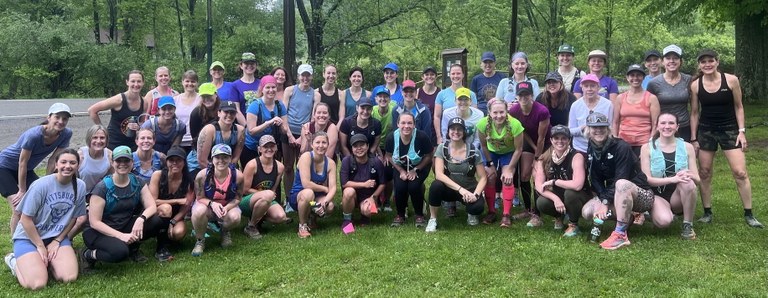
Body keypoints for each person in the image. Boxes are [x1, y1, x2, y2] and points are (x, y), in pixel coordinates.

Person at [690, 49, 763, 228]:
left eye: (710, 61)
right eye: (703, 62)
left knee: (740, 172)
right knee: (705, 172)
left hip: (730, 130)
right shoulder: (695, 85)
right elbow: (694, 113)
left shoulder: (731, 80)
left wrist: (742, 131)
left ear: (717, 62)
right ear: (699, 65)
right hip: (706, 131)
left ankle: (749, 213)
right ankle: (707, 212)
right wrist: (694, 138)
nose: (707, 64)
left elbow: (739, 107)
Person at [581, 113, 670, 250]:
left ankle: (620, 234)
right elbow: (595, 178)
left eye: (602, 127)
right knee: (587, 212)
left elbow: (621, 178)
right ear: (588, 129)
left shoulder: (621, 147)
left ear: (608, 129)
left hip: (640, 193)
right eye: (594, 127)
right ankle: (628, 218)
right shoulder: (591, 146)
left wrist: (605, 202)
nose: (598, 130)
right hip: (615, 194)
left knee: (621, 184)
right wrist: (603, 200)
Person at [4, 149, 85, 290]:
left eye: (73, 162)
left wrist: (57, 240)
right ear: (56, 165)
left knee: (69, 277)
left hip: (55, 236)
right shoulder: (40, 185)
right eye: (63, 162)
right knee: (37, 284)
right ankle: (14, 262)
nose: (68, 166)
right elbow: (25, 219)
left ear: (78, 165)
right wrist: (40, 246)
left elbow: (73, 217)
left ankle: (46, 264)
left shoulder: (80, 185)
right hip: (28, 237)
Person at [80, 146, 164, 269]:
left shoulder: (137, 182)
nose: (122, 164)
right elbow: (94, 222)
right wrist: (121, 236)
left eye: (126, 161)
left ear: (132, 162)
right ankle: (88, 254)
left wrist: (141, 219)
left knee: (155, 221)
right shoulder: (102, 187)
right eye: (119, 161)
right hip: (98, 232)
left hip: (123, 224)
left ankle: (133, 247)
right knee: (120, 252)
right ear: (112, 163)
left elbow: (151, 206)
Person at [1, 103, 72, 235]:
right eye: (57, 117)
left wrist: (47, 181)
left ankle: (38, 234)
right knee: (18, 207)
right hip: (4, 167)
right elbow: (22, 162)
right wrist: (22, 190)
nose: (61, 121)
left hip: (26, 169)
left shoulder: (66, 134)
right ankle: (16, 247)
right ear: (49, 117)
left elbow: (53, 160)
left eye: (65, 119)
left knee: (42, 199)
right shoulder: (34, 135)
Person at [640, 113, 700, 239]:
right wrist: (673, 179)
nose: (667, 126)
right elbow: (647, 180)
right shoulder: (646, 148)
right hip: (656, 194)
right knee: (664, 221)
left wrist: (688, 174)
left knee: (689, 183)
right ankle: (653, 212)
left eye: (671, 123)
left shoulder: (687, 147)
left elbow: (697, 179)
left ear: (677, 127)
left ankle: (687, 225)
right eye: (663, 123)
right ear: (657, 126)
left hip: (677, 195)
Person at [426, 117, 487, 232]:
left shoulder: (473, 150)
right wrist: (460, 189)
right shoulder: (442, 148)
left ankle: (471, 213)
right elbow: (439, 174)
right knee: (435, 186)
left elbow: (483, 177)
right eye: (452, 129)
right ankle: (433, 219)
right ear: (448, 132)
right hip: (449, 189)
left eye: (459, 129)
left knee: (477, 208)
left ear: (464, 132)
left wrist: (476, 194)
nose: (456, 132)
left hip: (468, 189)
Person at [533, 125, 590, 236]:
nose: (560, 141)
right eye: (556, 138)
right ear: (551, 140)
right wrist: (555, 199)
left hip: (580, 195)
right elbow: (538, 186)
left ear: (569, 140)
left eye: (563, 138)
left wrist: (555, 182)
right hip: (558, 195)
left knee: (570, 193)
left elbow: (578, 185)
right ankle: (559, 217)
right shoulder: (544, 158)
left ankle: (573, 224)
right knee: (541, 202)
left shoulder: (577, 156)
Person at [508, 81, 552, 227]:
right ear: (517, 96)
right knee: (525, 175)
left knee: (537, 173)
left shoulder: (541, 111)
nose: (524, 97)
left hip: (545, 143)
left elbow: (542, 138)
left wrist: (537, 157)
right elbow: (522, 131)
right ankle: (528, 209)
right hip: (529, 141)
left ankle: (538, 213)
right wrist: (532, 147)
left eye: (526, 94)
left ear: (532, 95)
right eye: (521, 95)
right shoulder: (513, 111)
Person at [438, 87, 484, 218]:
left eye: (466, 99)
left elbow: (477, 137)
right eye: (460, 99)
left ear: (470, 101)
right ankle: (450, 202)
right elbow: (445, 133)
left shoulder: (479, 114)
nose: (463, 102)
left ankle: (471, 197)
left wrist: (469, 154)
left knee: (468, 173)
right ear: (455, 100)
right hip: (451, 149)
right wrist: (451, 152)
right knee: (442, 168)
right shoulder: (447, 113)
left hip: (471, 150)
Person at [190, 144, 244, 256]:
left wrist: (226, 208)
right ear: (212, 159)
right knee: (198, 212)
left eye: (225, 157)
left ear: (230, 158)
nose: (221, 161)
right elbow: (199, 197)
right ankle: (200, 240)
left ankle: (224, 231)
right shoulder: (202, 175)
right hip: (207, 206)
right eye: (217, 157)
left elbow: (238, 198)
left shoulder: (238, 176)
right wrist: (212, 204)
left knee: (235, 218)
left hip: (226, 206)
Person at [477, 99, 524, 226]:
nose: (499, 116)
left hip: (509, 152)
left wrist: (510, 169)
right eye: (495, 112)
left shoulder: (515, 125)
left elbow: (519, 149)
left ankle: (506, 214)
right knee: (490, 177)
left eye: (502, 112)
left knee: (507, 178)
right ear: (489, 113)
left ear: (507, 111)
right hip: (491, 152)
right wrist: (490, 164)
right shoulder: (482, 124)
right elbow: (483, 146)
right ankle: (491, 211)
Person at [385, 112, 434, 227]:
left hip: (421, 165)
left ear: (414, 125)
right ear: (397, 124)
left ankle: (419, 215)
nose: (406, 126)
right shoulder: (391, 137)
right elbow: (388, 155)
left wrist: (415, 169)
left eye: (409, 123)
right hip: (400, 166)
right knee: (400, 186)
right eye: (403, 123)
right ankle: (400, 215)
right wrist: (401, 171)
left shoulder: (422, 137)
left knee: (414, 186)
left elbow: (428, 156)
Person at [67, 125, 113, 240]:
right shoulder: (81, 155)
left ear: (106, 140)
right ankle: (66, 240)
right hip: (78, 192)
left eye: (102, 138)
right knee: (81, 219)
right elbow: (71, 179)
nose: (98, 141)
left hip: (97, 194)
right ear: (89, 139)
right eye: (95, 138)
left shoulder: (109, 155)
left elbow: (111, 178)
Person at [148, 146, 194, 260]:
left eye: (178, 160)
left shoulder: (188, 180)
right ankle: (161, 247)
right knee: (166, 208)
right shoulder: (157, 175)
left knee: (179, 233)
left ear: (184, 162)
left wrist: (173, 221)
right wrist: (177, 200)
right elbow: (152, 201)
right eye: (171, 160)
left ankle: (168, 237)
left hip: (176, 216)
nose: (175, 163)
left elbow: (186, 206)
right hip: (157, 213)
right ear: (166, 162)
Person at [240, 135, 290, 239]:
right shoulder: (252, 165)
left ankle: (259, 217)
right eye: (265, 146)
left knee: (281, 217)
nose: (269, 149)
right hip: (246, 200)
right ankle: (251, 226)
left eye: (272, 146)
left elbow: (274, 188)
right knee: (268, 195)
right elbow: (244, 189)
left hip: (266, 198)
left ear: (276, 148)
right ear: (259, 149)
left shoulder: (280, 167)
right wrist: (265, 194)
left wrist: (269, 195)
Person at [289, 132, 337, 238]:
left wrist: (325, 201)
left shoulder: (330, 163)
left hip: (315, 198)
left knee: (330, 207)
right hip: (299, 196)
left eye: (324, 142)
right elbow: (306, 184)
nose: (321, 145)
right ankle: (302, 225)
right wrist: (324, 188)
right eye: (317, 142)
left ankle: (312, 218)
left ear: (328, 145)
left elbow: (333, 187)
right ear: (312, 144)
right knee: (308, 193)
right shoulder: (306, 157)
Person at [88, 70, 148, 150]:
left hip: (132, 144)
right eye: (133, 81)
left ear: (143, 83)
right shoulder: (118, 100)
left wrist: (138, 127)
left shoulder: (144, 102)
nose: (136, 84)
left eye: (139, 81)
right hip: (113, 143)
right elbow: (92, 110)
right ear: (127, 82)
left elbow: (142, 123)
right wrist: (103, 130)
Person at [340, 134, 386, 233]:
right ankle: (347, 220)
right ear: (352, 149)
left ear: (368, 146)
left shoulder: (376, 162)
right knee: (348, 191)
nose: (359, 148)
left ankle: (365, 217)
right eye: (355, 146)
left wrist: (373, 197)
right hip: (353, 196)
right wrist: (364, 184)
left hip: (368, 196)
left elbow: (382, 183)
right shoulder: (346, 161)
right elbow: (344, 183)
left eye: (362, 145)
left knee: (367, 210)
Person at [647, 45, 694, 141]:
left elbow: (694, 110)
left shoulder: (689, 80)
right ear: (663, 62)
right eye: (668, 58)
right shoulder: (653, 83)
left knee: (684, 155)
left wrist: (694, 136)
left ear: (681, 61)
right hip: (663, 128)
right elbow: (649, 110)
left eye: (675, 58)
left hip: (684, 127)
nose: (671, 61)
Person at [613, 64, 660, 156]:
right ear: (627, 77)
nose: (635, 78)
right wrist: (615, 140)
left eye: (638, 75)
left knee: (642, 169)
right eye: (632, 75)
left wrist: (650, 143)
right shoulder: (620, 98)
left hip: (644, 143)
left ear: (643, 77)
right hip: (623, 143)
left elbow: (655, 124)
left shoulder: (651, 98)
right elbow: (615, 122)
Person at [283, 64, 314, 202]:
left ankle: (301, 196)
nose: (305, 78)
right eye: (303, 75)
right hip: (288, 132)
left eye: (308, 75)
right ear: (298, 76)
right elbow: (284, 113)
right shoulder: (290, 90)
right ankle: (289, 199)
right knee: (288, 166)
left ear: (311, 77)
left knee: (302, 166)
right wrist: (290, 135)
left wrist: (303, 137)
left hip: (305, 133)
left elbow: (313, 117)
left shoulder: (315, 94)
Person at [243, 75, 290, 165]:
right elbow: (251, 131)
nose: (271, 90)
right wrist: (269, 122)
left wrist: (280, 125)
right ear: (262, 89)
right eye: (267, 87)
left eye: (273, 87)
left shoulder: (280, 106)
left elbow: (284, 131)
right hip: (253, 147)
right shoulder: (255, 105)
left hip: (270, 147)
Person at [568, 74, 614, 153]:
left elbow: (610, 128)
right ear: (582, 88)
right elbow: (570, 130)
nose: (589, 89)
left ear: (598, 87)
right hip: (580, 148)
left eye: (593, 86)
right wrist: (582, 129)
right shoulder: (575, 105)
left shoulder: (608, 104)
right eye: (586, 86)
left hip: (602, 148)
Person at [434, 64, 478, 144]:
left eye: (458, 73)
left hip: (467, 135)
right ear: (449, 75)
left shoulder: (471, 94)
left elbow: (475, 116)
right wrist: (439, 136)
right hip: (448, 135)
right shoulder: (442, 94)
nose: (455, 76)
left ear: (463, 75)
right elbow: (437, 116)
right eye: (453, 73)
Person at [370, 86, 397, 210]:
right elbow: (373, 135)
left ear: (389, 99)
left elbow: (396, 132)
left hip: (391, 145)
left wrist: (388, 154)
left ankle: (386, 201)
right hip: (374, 145)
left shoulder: (394, 110)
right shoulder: (372, 111)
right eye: (380, 96)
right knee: (374, 170)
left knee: (388, 171)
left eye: (385, 96)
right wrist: (379, 153)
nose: (383, 99)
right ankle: (374, 198)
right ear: (375, 99)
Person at [196, 101, 244, 170]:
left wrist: (228, 173)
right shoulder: (209, 130)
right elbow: (202, 160)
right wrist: (217, 174)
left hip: (228, 167)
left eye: (232, 112)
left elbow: (236, 157)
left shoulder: (240, 131)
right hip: (206, 166)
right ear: (219, 113)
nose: (229, 115)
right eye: (226, 112)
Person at [188, 82, 220, 176]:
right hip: (199, 151)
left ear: (216, 95)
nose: (207, 99)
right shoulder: (196, 113)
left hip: (219, 150)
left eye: (209, 95)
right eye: (204, 96)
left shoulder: (223, 110)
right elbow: (194, 136)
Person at [393, 80, 437, 147]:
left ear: (416, 92)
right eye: (406, 91)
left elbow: (426, 134)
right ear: (402, 92)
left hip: (420, 145)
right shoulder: (396, 110)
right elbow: (395, 132)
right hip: (401, 145)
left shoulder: (424, 110)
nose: (409, 93)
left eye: (411, 91)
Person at [173, 70, 202, 152]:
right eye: (187, 81)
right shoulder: (175, 99)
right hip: (178, 140)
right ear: (182, 82)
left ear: (197, 83)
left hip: (195, 141)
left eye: (193, 81)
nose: (190, 84)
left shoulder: (201, 99)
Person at [230, 52, 260, 124]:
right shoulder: (235, 85)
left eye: (252, 63)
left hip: (261, 124)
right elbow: (236, 110)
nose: (249, 66)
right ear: (241, 65)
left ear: (256, 65)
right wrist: (247, 126)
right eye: (246, 63)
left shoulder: (261, 83)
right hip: (244, 126)